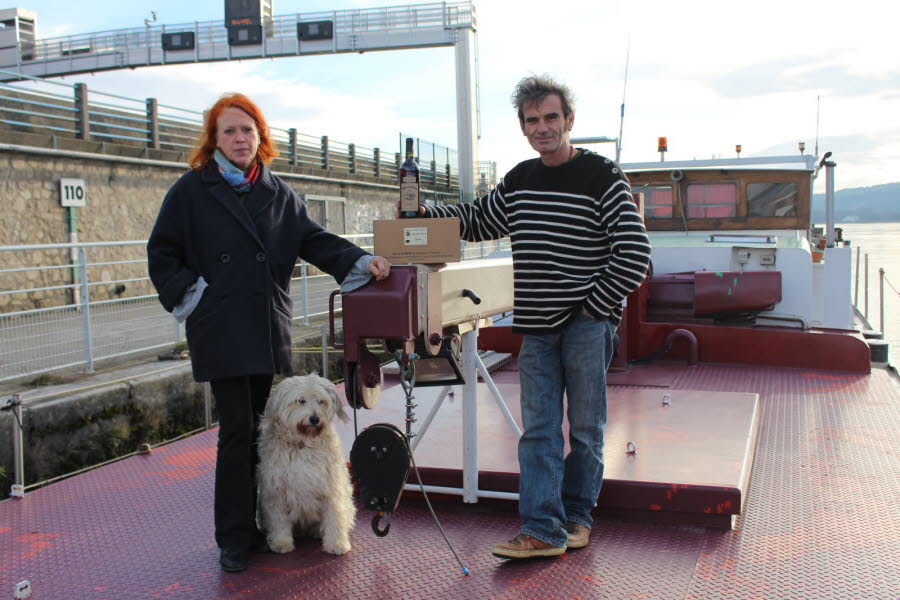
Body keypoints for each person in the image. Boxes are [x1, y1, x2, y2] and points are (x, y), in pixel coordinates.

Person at [147, 93, 390, 573]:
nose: (240, 139)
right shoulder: (192, 190)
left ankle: (265, 525)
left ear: (260, 137)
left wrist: (360, 261)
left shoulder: (278, 192)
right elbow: (162, 252)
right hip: (220, 326)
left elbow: (314, 240)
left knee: (270, 436)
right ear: (214, 140)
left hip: (263, 325)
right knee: (238, 431)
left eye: (248, 130)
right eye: (229, 131)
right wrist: (194, 295)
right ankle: (235, 538)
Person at [416, 75, 650, 559]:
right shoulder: (521, 179)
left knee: (585, 428)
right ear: (523, 128)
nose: (542, 128)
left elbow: (634, 253)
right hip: (538, 328)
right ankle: (543, 529)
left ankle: (577, 517)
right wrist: (421, 214)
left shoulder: (602, 177)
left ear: (569, 121)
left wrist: (593, 307)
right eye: (532, 120)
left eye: (550, 118)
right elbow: (478, 219)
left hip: (587, 326)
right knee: (539, 431)